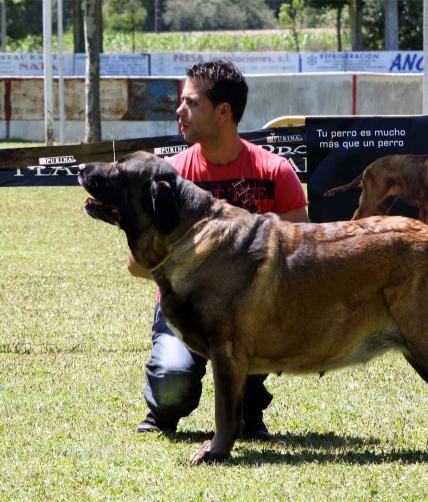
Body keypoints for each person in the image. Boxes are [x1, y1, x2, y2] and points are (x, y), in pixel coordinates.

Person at [127, 60, 309, 440]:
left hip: (254, 313)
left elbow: (300, 256)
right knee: (171, 387)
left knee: (248, 323)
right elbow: (137, 264)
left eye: (192, 103)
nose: (180, 110)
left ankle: (248, 409)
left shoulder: (276, 172)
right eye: (182, 101)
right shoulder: (168, 176)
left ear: (223, 111)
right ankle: (163, 411)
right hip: (185, 309)